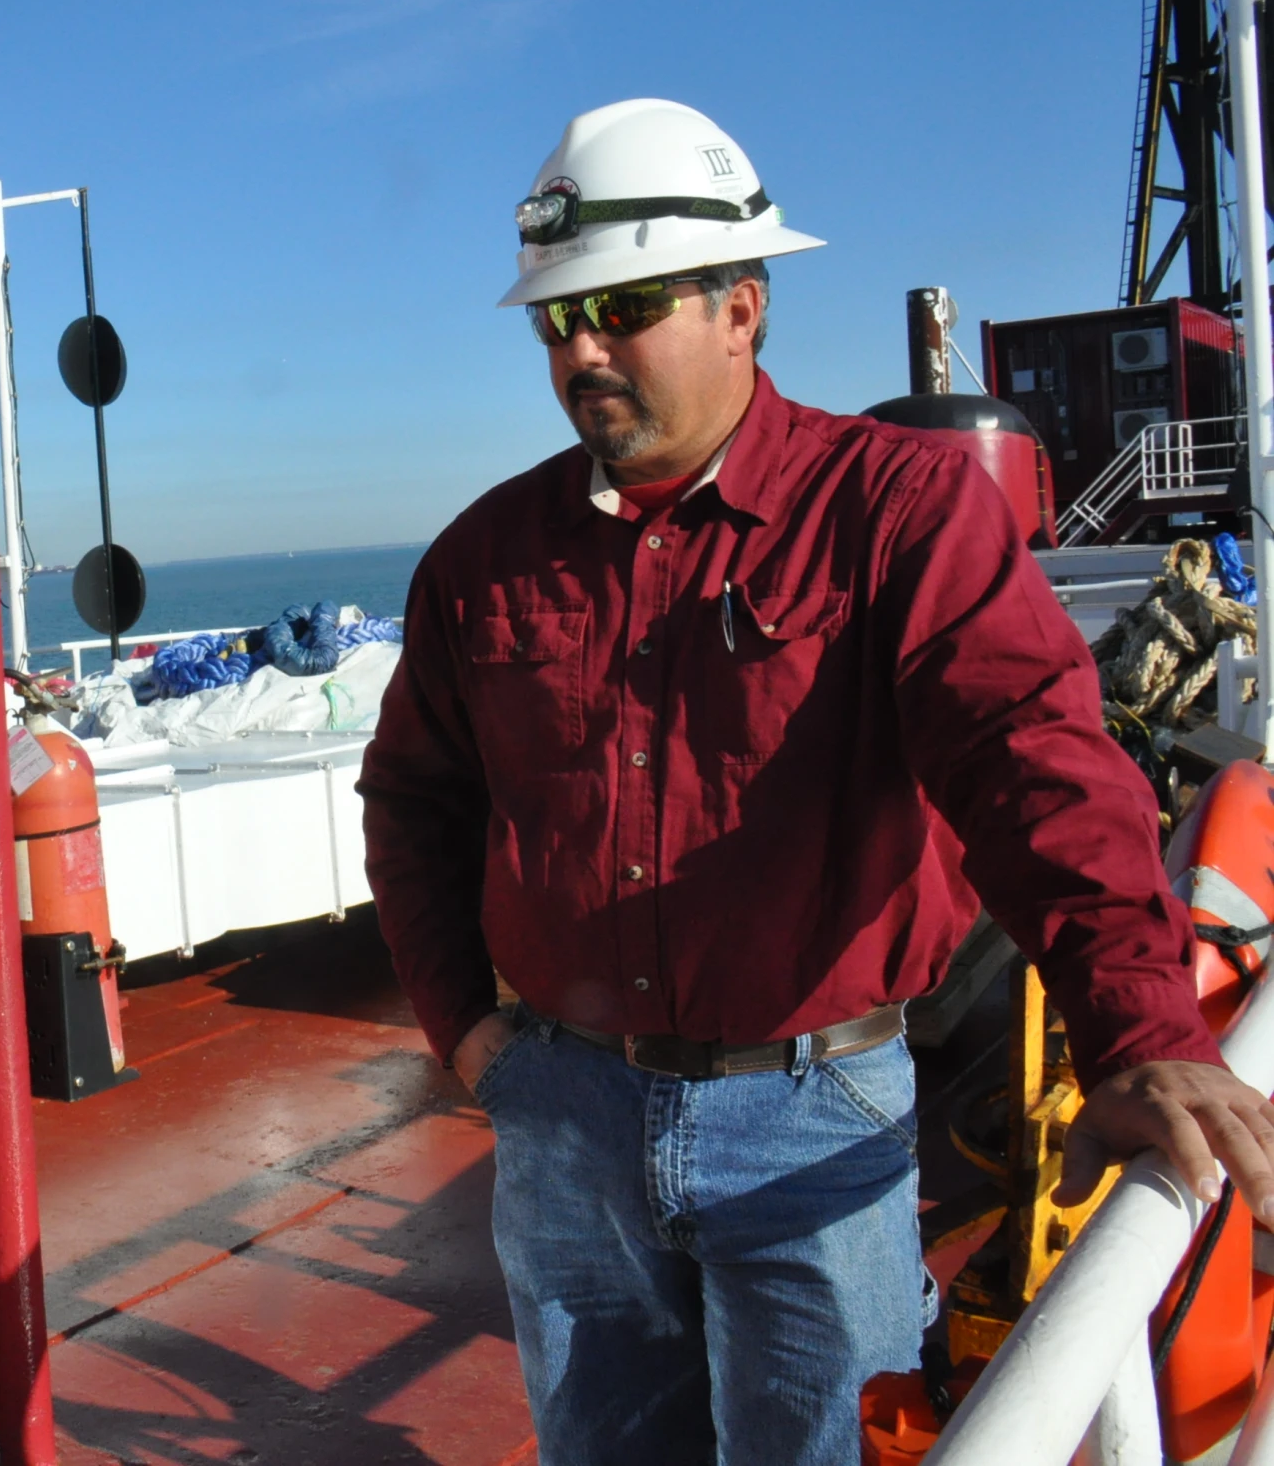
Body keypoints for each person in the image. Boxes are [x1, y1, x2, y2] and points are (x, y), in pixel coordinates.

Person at [357, 99, 1274, 1464]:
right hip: (561, 1112)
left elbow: (1031, 763)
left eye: (622, 306)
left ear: (742, 308)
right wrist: (469, 1034)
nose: (582, 349)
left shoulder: (895, 511)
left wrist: (1134, 1031)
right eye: (557, 320)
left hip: (804, 1116)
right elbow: (411, 800)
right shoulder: (485, 557)